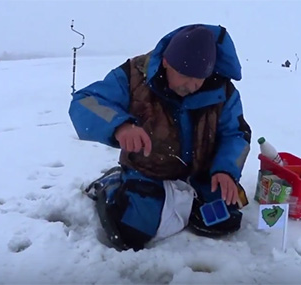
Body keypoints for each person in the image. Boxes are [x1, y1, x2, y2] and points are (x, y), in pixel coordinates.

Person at [69, 24, 251, 251]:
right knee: (132, 232)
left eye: (199, 78)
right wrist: (120, 126)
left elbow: (236, 134)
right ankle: (111, 186)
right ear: (166, 62)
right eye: (185, 75)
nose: (192, 85)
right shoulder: (134, 75)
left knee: (224, 221)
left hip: (201, 175)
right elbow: (85, 102)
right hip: (149, 170)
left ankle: (192, 199)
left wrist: (226, 170)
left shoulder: (223, 91)